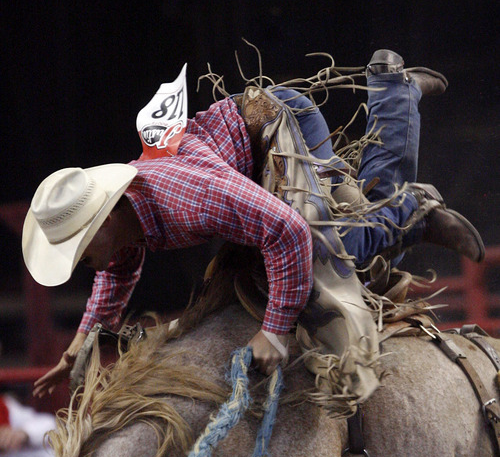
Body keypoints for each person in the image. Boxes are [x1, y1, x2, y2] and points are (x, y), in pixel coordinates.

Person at [24, 49, 484, 398]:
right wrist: (83, 338)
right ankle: (395, 95)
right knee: (355, 218)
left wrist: (275, 329)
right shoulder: (128, 216)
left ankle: (414, 214)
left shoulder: (187, 200)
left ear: (105, 217)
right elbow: (117, 268)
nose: (84, 261)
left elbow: (287, 231)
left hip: (280, 125)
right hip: (251, 158)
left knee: (330, 250)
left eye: (81, 246)